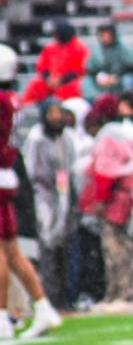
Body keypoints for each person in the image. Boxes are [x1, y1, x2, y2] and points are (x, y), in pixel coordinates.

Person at [0, 46, 63, 340]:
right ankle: (43, 305)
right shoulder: (11, 99)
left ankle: (1, 317)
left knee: (2, 250)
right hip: (8, 175)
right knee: (11, 250)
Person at [81, 91, 133, 314]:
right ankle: (122, 293)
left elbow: (105, 172)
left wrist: (100, 199)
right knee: (124, 246)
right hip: (131, 194)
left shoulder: (108, 135)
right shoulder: (127, 131)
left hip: (117, 197)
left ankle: (120, 294)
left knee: (114, 247)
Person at [22, 99, 78, 310]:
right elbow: (33, 172)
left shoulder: (66, 137)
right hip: (43, 195)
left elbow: (70, 166)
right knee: (48, 246)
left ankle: (66, 295)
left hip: (64, 195)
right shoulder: (37, 138)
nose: (56, 117)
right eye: (52, 113)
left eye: (58, 112)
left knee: (65, 246)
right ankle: (51, 295)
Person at [22, 21, 89, 105]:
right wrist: (47, 78)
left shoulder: (80, 48)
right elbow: (42, 67)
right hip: (50, 80)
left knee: (73, 89)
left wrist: (62, 80)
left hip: (69, 81)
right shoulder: (51, 47)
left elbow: (80, 70)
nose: (56, 37)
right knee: (36, 84)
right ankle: (27, 109)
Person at [83, 23, 133, 101]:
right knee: (86, 82)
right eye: (102, 35)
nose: (105, 38)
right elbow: (91, 69)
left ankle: (128, 102)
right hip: (103, 78)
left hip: (121, 77)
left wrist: (116, 77)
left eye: (107, 35)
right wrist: (99, 77)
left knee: (128, 80)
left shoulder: (123, 49)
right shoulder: (97, 50)